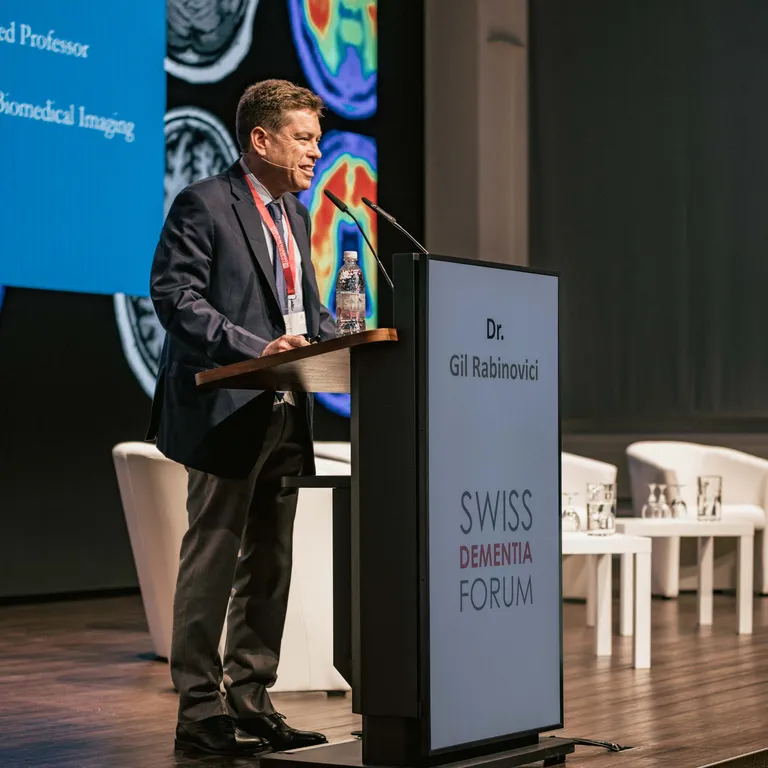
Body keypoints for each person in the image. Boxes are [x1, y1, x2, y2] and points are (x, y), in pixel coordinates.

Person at [147, 79, 336, 757]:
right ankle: (200, 710)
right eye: (304, 138)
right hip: (229, 407)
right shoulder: (205, 204)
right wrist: (258, 349)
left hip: (287, 407)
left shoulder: (291, 216)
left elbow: (301, 316)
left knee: (270, 564)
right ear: (261, 140)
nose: (316, 152)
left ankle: (252, 698)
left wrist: (334, 341)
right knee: (214, 558)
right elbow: (174, 296)